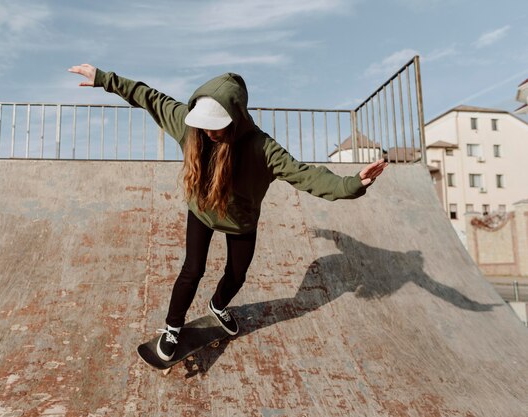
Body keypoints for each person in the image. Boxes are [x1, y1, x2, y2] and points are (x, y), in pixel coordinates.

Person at [68, 64, 388, 361]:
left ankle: (218, 306)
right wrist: (103, 78)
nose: (208, 133)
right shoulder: (188, 124)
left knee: (237, 274)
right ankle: (172, 328)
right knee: (192, 269)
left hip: (240, 221)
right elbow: (148, 97)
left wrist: (352, 183)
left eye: (216, 128)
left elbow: (305, 175)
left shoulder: (262, 149)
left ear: (235, 119)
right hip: (202, 209)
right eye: (204, 126)